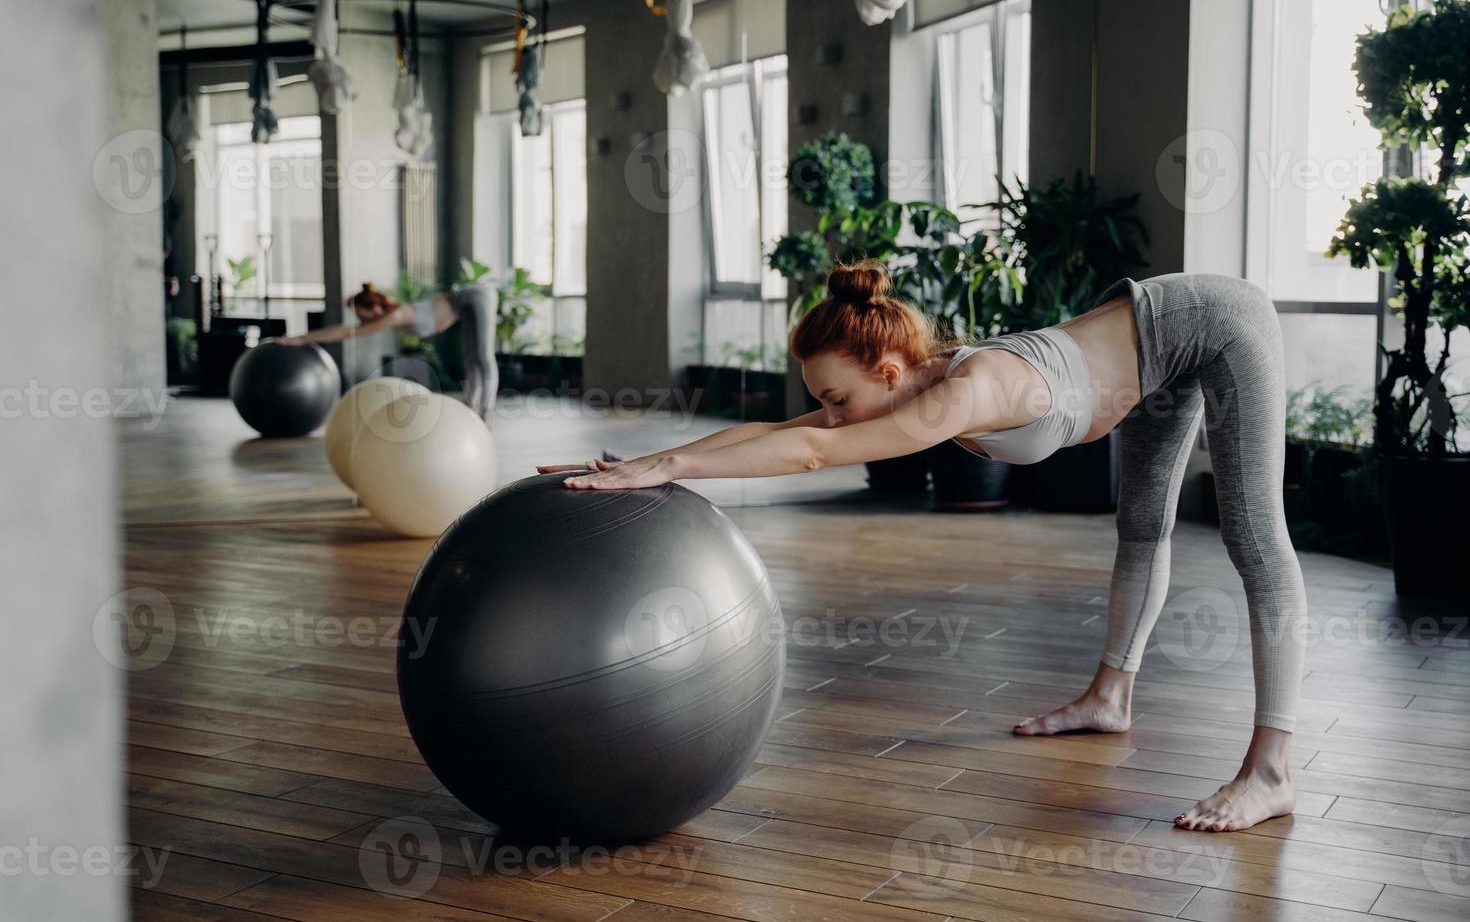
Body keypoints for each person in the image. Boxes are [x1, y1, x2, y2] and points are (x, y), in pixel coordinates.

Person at [539, 260, 1307, 833]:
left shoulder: (966, 393)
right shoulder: (917, 384)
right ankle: (1111, 697)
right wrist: (641, 463)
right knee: (1142, 525)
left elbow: (809, 456)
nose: (830, 418)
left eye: (837, 399)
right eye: (824, 402)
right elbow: (785, 436)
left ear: (891, 370)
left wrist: (672, 466)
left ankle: (1271, 771)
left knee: (1254, 535)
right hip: (1148, 344)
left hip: (1213, 321)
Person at [280, 279, 499, 421]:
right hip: (465, 302)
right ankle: (473, 408)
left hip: (477, 294)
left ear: (373, 307)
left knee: (482, 355)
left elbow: (346, 332)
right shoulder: (398, 313)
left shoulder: (395, 315)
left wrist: (300, 339)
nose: (363, 321)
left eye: (363, 316)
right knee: (471, 358)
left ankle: (485, 413)